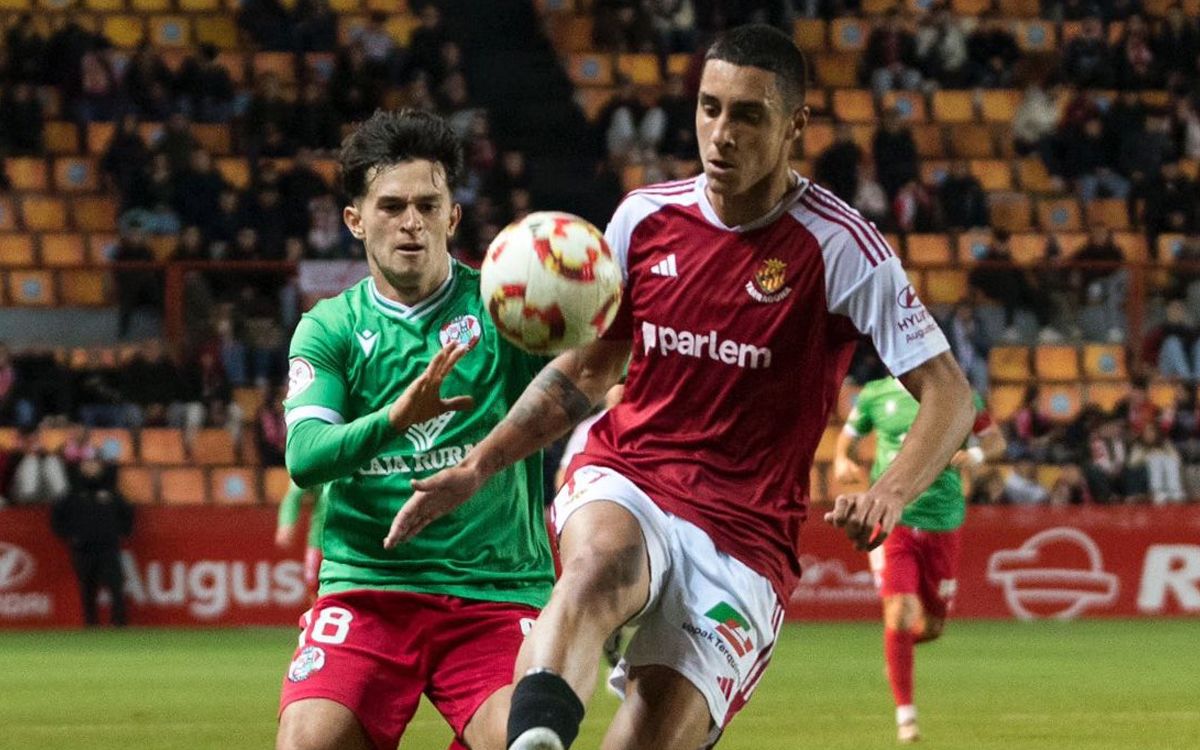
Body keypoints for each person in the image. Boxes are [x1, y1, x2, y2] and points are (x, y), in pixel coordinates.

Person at [385, 25, 975, 750]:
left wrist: (890, 491)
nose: (720, 134)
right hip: (631, 473)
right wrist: (481, 463)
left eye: (748, 114)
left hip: (745, 538)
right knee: (599, 567)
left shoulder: (841, 247)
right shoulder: (645, 217)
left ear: (796, 126)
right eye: (709, 107)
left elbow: (951, 395)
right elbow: (590, 370)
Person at [275, 109, 555, 750]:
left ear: (453, 216)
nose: (411, 222)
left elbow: (586, 385)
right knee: (308, 744)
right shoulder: (330, 328)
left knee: (526, 742)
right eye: (391, 205)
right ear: (355, 219)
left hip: (496, 590)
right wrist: (397, 417)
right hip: (369, 590)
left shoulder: (505, 309)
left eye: (429, 205)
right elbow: (306, 455)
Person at [833, 375, 1006, 742]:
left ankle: (896, 655)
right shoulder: (874, 394)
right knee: (899, 612)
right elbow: (846, 441)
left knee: (930, 627)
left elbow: (995, 441)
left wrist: (974, 454)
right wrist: (839, 462)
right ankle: (906, 718)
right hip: (894, 517)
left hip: (943, 521)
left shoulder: (957, 394)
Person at [50, 458, 133, 627]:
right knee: (87, 588)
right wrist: (69, 535)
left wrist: (121, 532)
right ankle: (91, 623)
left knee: (115, 586)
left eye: (94, 465)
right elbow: (56, 517)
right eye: (87, 465)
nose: (91, 468)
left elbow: (128, 514)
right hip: (83, 548)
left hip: (108, 548)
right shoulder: (71, 493)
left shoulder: (111, 493)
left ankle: (119, 623)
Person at [275, 480, 328, 601]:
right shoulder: (319, 462)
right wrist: (287, 522)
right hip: (319, 539)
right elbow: (294, 494)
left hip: (351, 539)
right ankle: (320, 617)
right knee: (314, 584)